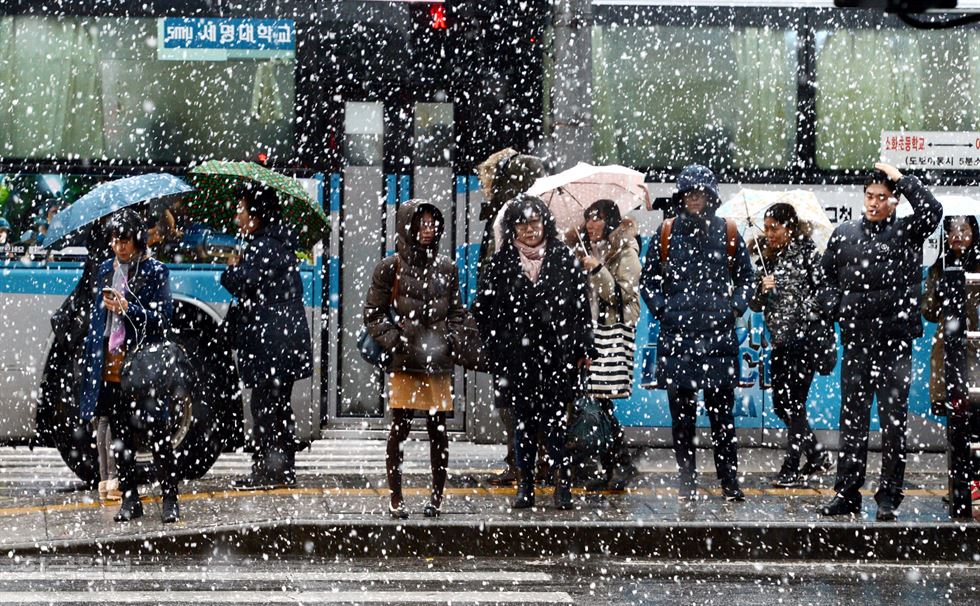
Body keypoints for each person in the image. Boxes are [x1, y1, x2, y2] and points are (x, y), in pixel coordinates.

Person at [818, 162, 942, 521]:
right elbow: (824, 280)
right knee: (852, 422)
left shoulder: (907, 231)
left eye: (882, 197)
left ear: (895, 201)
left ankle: (888, 497)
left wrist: (903, 179)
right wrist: (837, 307)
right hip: (857, 344)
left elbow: (932, 211)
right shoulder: (844, 234)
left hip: (894, 343)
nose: (873, 203)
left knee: (893, 426)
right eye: (869, 196)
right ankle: (846, 493)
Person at [639, 164, 754, 502]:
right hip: (678, 339)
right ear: (681, 196)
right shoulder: (667, 232)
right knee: (682, 419)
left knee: (723, 418)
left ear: (710, 196)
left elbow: (746, 278)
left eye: (700, 192)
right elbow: (648, 280)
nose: (694, 198)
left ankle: (728, 480)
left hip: (718, 339)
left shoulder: (729, 231)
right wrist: (664, 308)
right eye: (689, 192)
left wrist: (734, 307)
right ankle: (686, 480)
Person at [473, 194, 594, 510]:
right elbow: (483, 312)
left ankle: (561, 484)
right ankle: (525, 485)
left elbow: (582, 312)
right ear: (512, 229)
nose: (529, 229)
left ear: (545, 224)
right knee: (522, 426)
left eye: (535, 222)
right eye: (522, 223)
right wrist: (498, 347)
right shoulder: (500, 263)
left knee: (556, 425)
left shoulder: (565, 260)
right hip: (516, 359)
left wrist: (583, 346)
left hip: (556, 357)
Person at [363, 199, 466, 519]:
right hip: (404, 361)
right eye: (420, 224)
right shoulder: (389, 267)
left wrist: (449, 339)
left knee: (438, 429)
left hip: (436, 361)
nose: (428, 229)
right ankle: (396, 497)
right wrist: (396, 342)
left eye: (432, 223)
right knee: (400, 429)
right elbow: (373, 314)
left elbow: (457, 313)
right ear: (407, 227)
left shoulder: (447, 268)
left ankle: (436, 497)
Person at [78, 209, 179, 523]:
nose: (118, 247)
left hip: (143, 364)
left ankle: (170, 498)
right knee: (120, 433)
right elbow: (96, 318)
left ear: (137, 240)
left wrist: (128, 308)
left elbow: (163, 318)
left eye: (124, 241)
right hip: (110, 362)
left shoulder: (154, 271)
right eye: (114, 240)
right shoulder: (106, 269)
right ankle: (130, 499)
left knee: (158, 432)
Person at [222, 184, 313, 489]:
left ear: (257, 215)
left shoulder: (264, 246)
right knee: (277, 406)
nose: (238, 217)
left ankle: (267, 471)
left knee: (265, 407)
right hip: (281, 339)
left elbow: (244, 284)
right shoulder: (278, 242)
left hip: (270, 341)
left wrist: (230, 270)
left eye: (241, 210)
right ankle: (283, 470)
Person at [475, 149, 547, 487]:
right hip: (525, 328)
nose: (486, 187)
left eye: (489, 180)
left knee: (514, 401)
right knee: (524, 399)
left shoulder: (509, 218)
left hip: (514, 328)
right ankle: (533, 462)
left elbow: (493, 274)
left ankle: (523, 464)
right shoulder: (521, 218)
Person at [748, 203, 833, 488]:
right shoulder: (765, 259)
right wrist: (763, 288)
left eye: (775, 228)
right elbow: (755, 304)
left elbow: (824, 292)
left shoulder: (808, 253)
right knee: (781, 405)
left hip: (805, 340)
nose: (769, 233)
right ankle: (818, 455)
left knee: (795, 403)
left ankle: (791, 466)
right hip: (780, 342)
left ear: (790, 227)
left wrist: (801, 309)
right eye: (767, 227)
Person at [567, 199, 641, 490]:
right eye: (588, 218)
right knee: (594, 401)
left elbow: (622, 297)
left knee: (599, 400)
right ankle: (610, 464)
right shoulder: (579, 249)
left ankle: (614, 463)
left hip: (609, 335)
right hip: (585, 336)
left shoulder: (626, 251)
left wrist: (597, 270)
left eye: (597, 218)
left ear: (610, 220)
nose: (591, 224)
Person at [921, 215, 980, 501]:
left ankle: (973, 486)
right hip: (950, 354)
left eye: (963, 230)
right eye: (952, 230)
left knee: (976, 421)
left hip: (975, 353)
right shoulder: (939, 267)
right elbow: (928, 312)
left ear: (974, 233)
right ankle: (962, 488)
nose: (957, 235)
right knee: (957, 421)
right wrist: (939, 294)